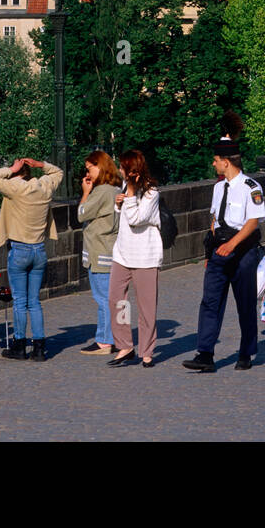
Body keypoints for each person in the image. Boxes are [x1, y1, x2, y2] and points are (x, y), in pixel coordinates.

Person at [184, 140, 265, 372]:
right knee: (210, 302)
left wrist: (232, 244)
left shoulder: (251, 187)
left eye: (216, 160)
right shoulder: (218, 187)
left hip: (242, 251)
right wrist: (209, 252)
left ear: (226, 162)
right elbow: (214, 220)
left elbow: (253, 222)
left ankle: (246, 352)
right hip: (219, 251)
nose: (213, 163)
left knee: (245, 304)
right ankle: (205, 354)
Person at [0, 154, 63, 361]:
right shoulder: (45, 187)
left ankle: (19, 346)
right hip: (39, 250)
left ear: (16, 173)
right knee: (34, 302)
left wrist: (10, 169)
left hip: (20, 251)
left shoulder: (16, 188)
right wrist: (41, 164)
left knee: (20, 302)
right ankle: (39, 348)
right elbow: (58, 172)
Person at [107, 149, 162, 368]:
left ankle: (146, 351)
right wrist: (119, 202)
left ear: (132, 172)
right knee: (116, 300)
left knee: (146, 307)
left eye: (122, 167)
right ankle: (125, 345)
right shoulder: (126, 188)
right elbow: (123, 213)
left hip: (146, 256)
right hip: (122, 253)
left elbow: (137, 219)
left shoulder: (152, 193)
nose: (119, 170)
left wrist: (128, 196)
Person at [76, 151, 121, 357]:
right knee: (117, 299)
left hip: (100, 252)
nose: (87, 173)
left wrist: (85, 192)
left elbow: (81, 214)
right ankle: (120, 338)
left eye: (89, 168)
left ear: (100, 167)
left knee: (104, 299)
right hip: (110, 250)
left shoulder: (101, 191)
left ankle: (104, 341)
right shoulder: (114, 189)